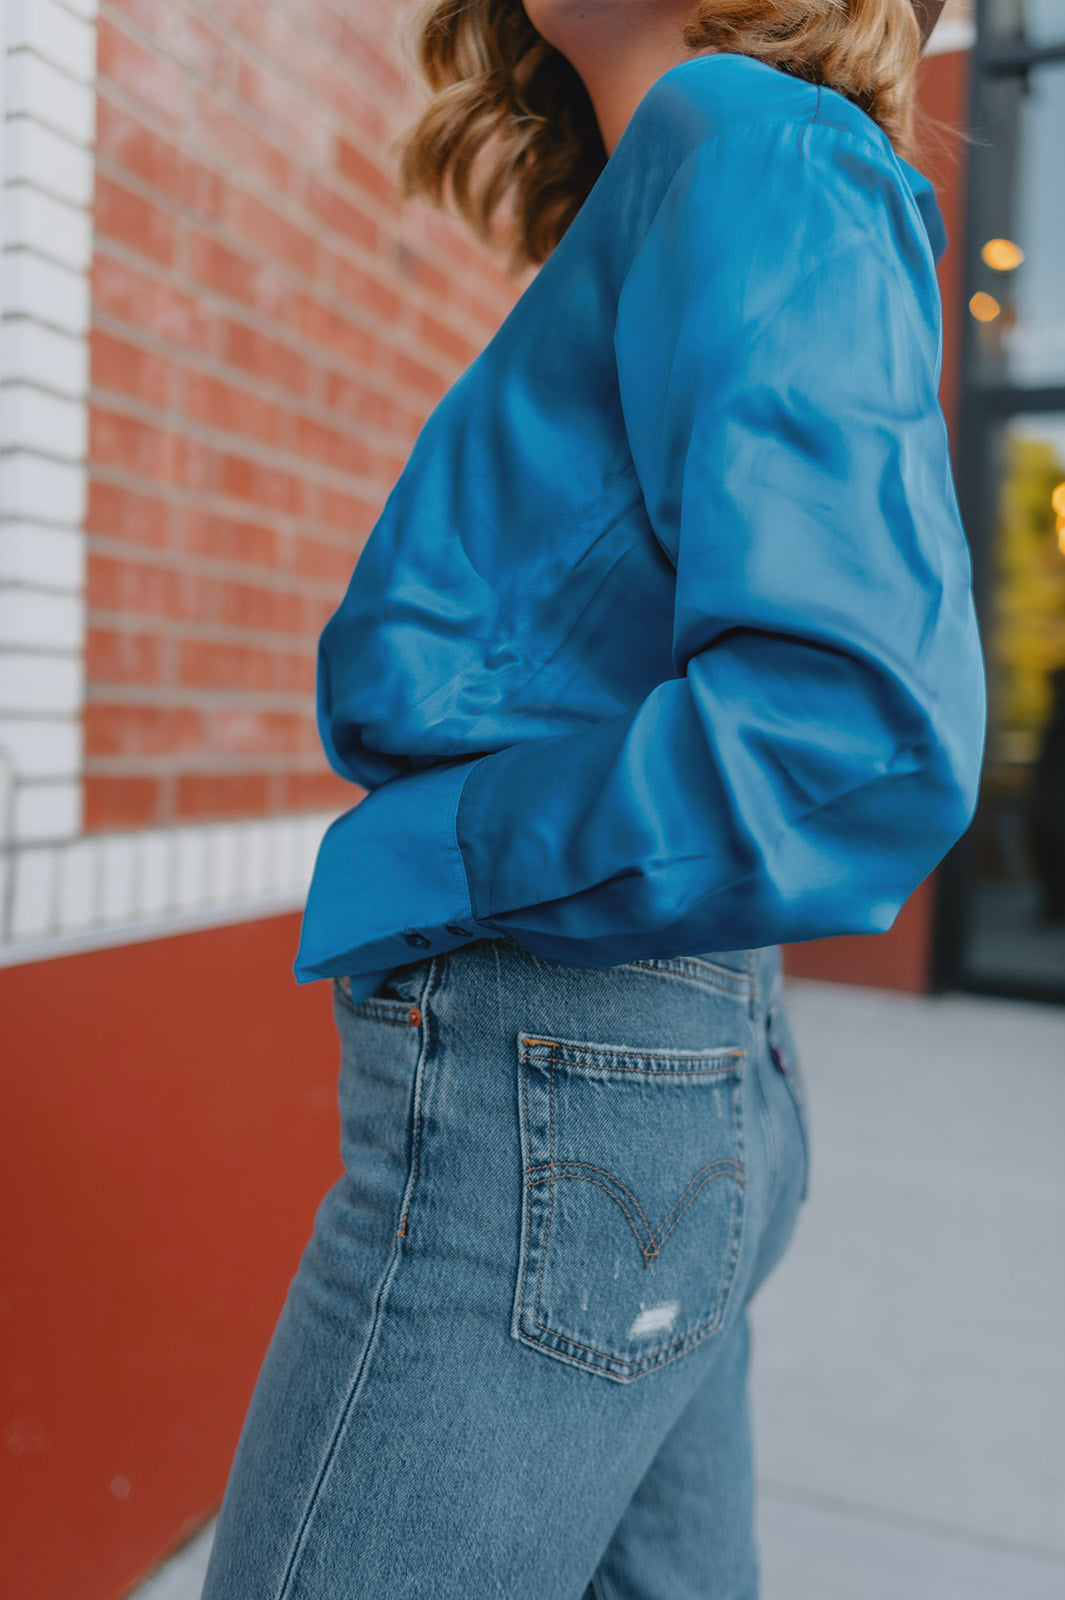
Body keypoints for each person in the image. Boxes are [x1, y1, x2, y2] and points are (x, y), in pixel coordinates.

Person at [201, 2, 984, 1596]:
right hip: (636, 1087)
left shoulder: (747, 141)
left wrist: (445, 846)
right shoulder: (706, 168)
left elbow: (848, 732)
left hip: (563, 1088)